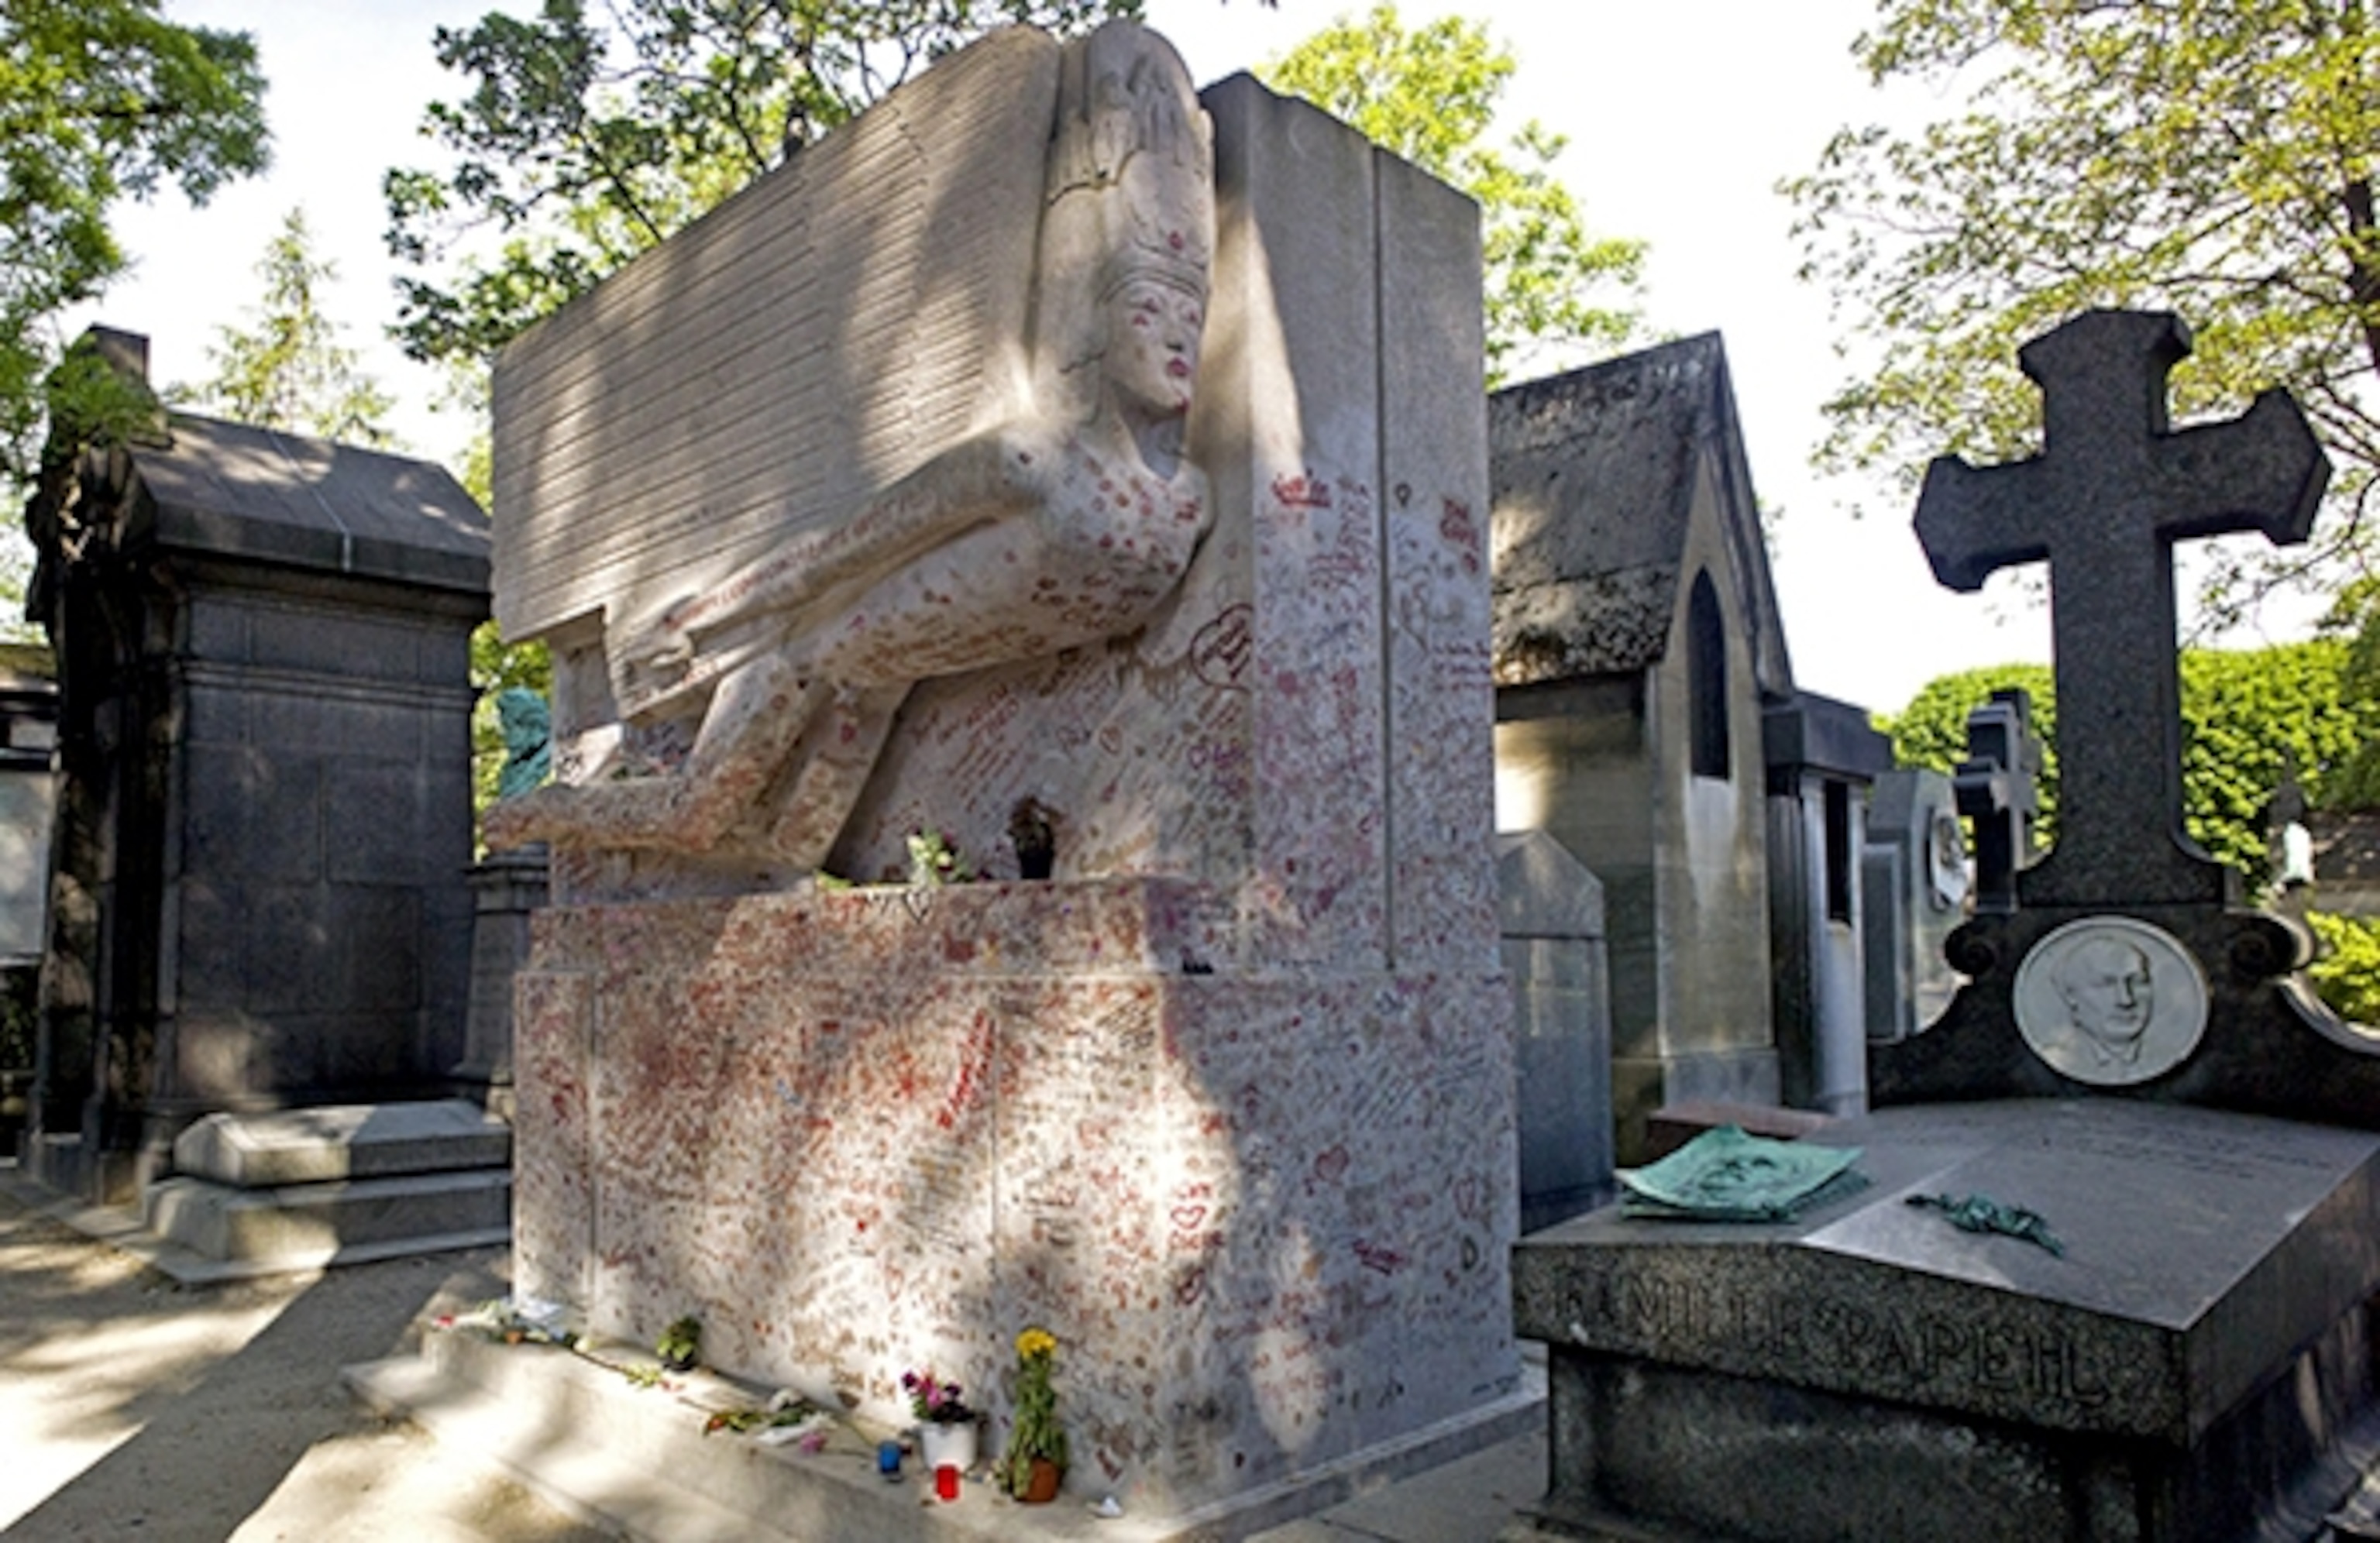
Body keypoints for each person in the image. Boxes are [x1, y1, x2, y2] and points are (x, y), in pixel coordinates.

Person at [484, 25, 1212, 870]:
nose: (1177, 343)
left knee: (787, 849)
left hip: (876, 685)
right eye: (1150, 315)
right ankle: (554, 811)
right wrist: (710, 620)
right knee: (697, 820)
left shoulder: (1191, 502)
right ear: (1097, 319)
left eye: (1191, 320)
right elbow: (842, 552)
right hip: (795, 658)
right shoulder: (1032, 461)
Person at [2051, 935, 2155, 1069]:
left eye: (2137, 982)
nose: (2126, 1000)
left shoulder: (2169, 1053)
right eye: (2106, 985)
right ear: (2071, 995)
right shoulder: (2060, 1058)